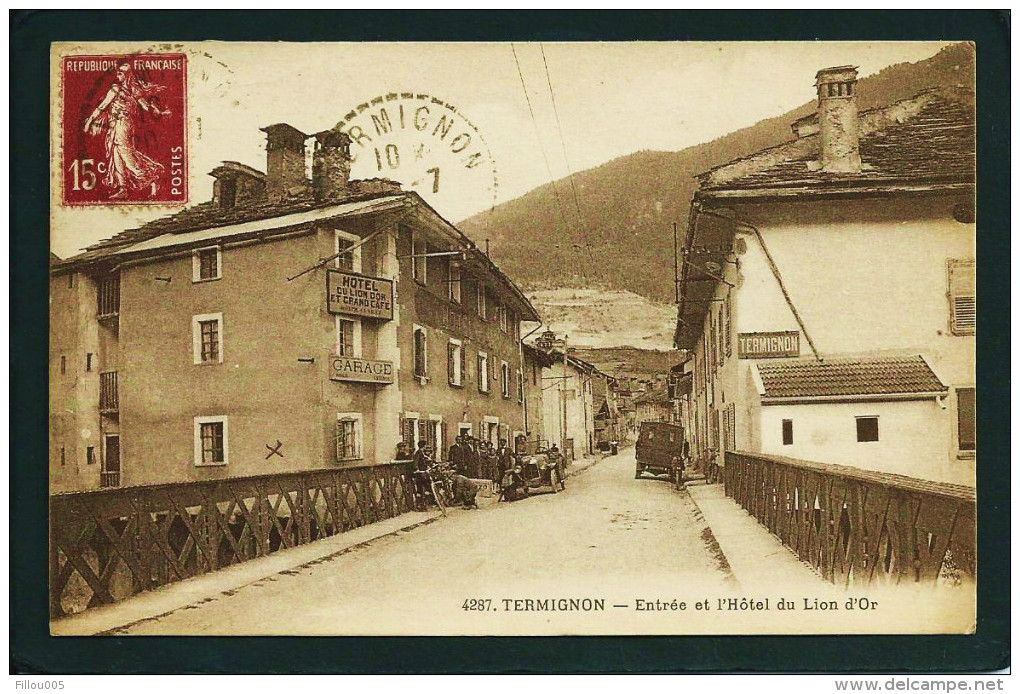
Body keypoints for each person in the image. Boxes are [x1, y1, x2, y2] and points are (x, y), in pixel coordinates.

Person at [83, 61, 171, 199]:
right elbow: (103, 107)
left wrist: (89, 122)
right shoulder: (124, 89)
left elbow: (103, 106)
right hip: (116, 125)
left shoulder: (119, 90)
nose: (118, 74)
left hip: (122, 125)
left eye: (121, 72)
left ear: (128, 75)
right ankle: (123, 188)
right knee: (116, 155)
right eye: (118, 72)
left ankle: (153, 177)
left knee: (126, 156)